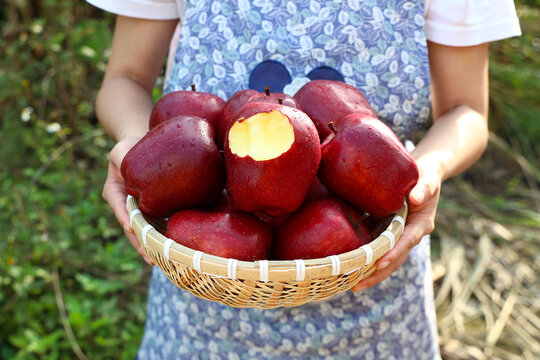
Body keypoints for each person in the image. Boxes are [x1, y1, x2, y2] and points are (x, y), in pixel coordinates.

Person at [88, 0, 521, 358]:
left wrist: (428, 170)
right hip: (201, 302)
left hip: (374, 291)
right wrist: (136, 145)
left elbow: (467, 109)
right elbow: (124, 79)